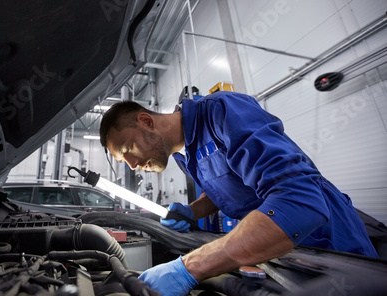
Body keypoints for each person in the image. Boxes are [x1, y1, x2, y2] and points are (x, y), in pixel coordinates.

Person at [99, 91, 378, 296]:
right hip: (279, 250)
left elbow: (299, 203)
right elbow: (230, 186)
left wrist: (188, 267)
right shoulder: (184, 155)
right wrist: (194, 210)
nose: (133, 165)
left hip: (330, 243)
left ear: (146, 121)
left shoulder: (222, 111)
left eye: (127, 151)